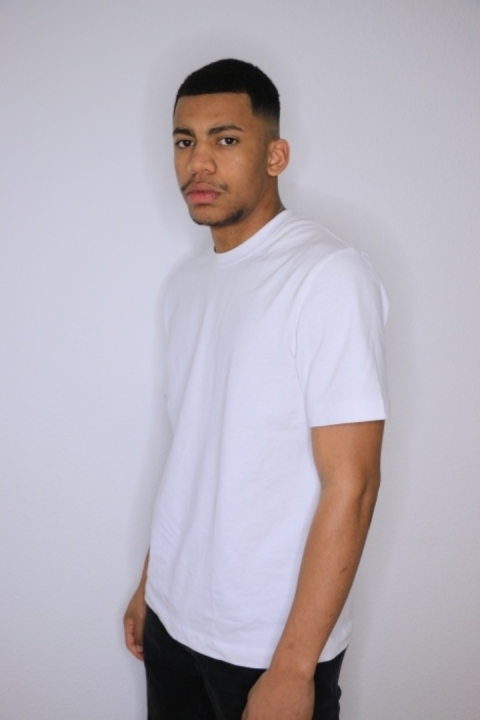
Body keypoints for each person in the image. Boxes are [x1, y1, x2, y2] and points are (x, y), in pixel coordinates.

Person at [124, 58, 388, 720]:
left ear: (275, 155)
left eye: (225, 139)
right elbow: (194, 451)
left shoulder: (326, 275)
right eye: (184, 140)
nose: (198, 163)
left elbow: (352, 484)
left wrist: (294, 668)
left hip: (265, 643)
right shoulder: (187, 285)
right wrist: (153, 583)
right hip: (173, 619)